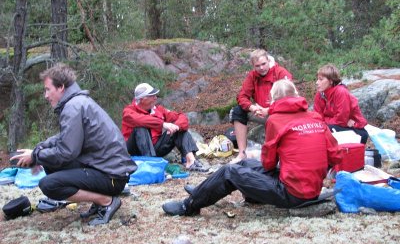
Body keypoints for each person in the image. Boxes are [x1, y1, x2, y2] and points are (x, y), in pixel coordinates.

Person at [162, 79, 342, 216]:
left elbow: (269, 163)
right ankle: (205, 191)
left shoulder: (276, 120)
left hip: (292, 194)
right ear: (296, 95)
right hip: (311, 187)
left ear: (273, 99)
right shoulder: (315, 117)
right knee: (245, 164)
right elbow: (335, 155)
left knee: (230, 171)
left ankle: (189, 207)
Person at [10, 64, 137, 226]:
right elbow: (64, 138)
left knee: (49, 185)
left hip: (112, 177)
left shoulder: (73, 107)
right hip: (107, 170)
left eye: (48, 89)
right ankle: (99, 202)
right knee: (51, 164)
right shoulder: (77, 103)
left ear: (61, 87)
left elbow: (66, 152)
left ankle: (106, 201)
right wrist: (38, 151)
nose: (45, 95)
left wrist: (36, 156)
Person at [121, 82, 209, 172]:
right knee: (140, 127)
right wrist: (163, 124)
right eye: (152, 96)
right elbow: (139, 120)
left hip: (155, 150)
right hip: (134, 151)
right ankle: (151, 164)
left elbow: (182, 117)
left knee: (179, 129)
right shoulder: (128, 111)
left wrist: (176, 126)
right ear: (143, 99)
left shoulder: (158, 109)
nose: (156, 98)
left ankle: (191, 161)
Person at [229, 49, 292, 164]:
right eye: (257, 66)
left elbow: (290, 99)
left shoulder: (281, 73)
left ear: (268, 60)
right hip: (260, 112)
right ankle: (242, 154)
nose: (261, 68)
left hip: (279, 114)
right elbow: (242, 96)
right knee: (237, 111)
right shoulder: (252, 76)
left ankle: (282, 154)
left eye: (263, 64)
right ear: (253, 66)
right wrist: (252, 107)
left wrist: (269, 109)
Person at [314, 64, 369, 144]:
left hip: (355, 129)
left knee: (324, 130)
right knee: (316, 129)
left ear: (331, 81)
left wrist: (324, 120)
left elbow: (340, 120)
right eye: (317, 79)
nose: (317, 82)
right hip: (339, 126)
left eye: (321, 79)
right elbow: (317, 118)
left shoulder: (340, 92)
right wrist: (324, 120)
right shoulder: (320, 95)